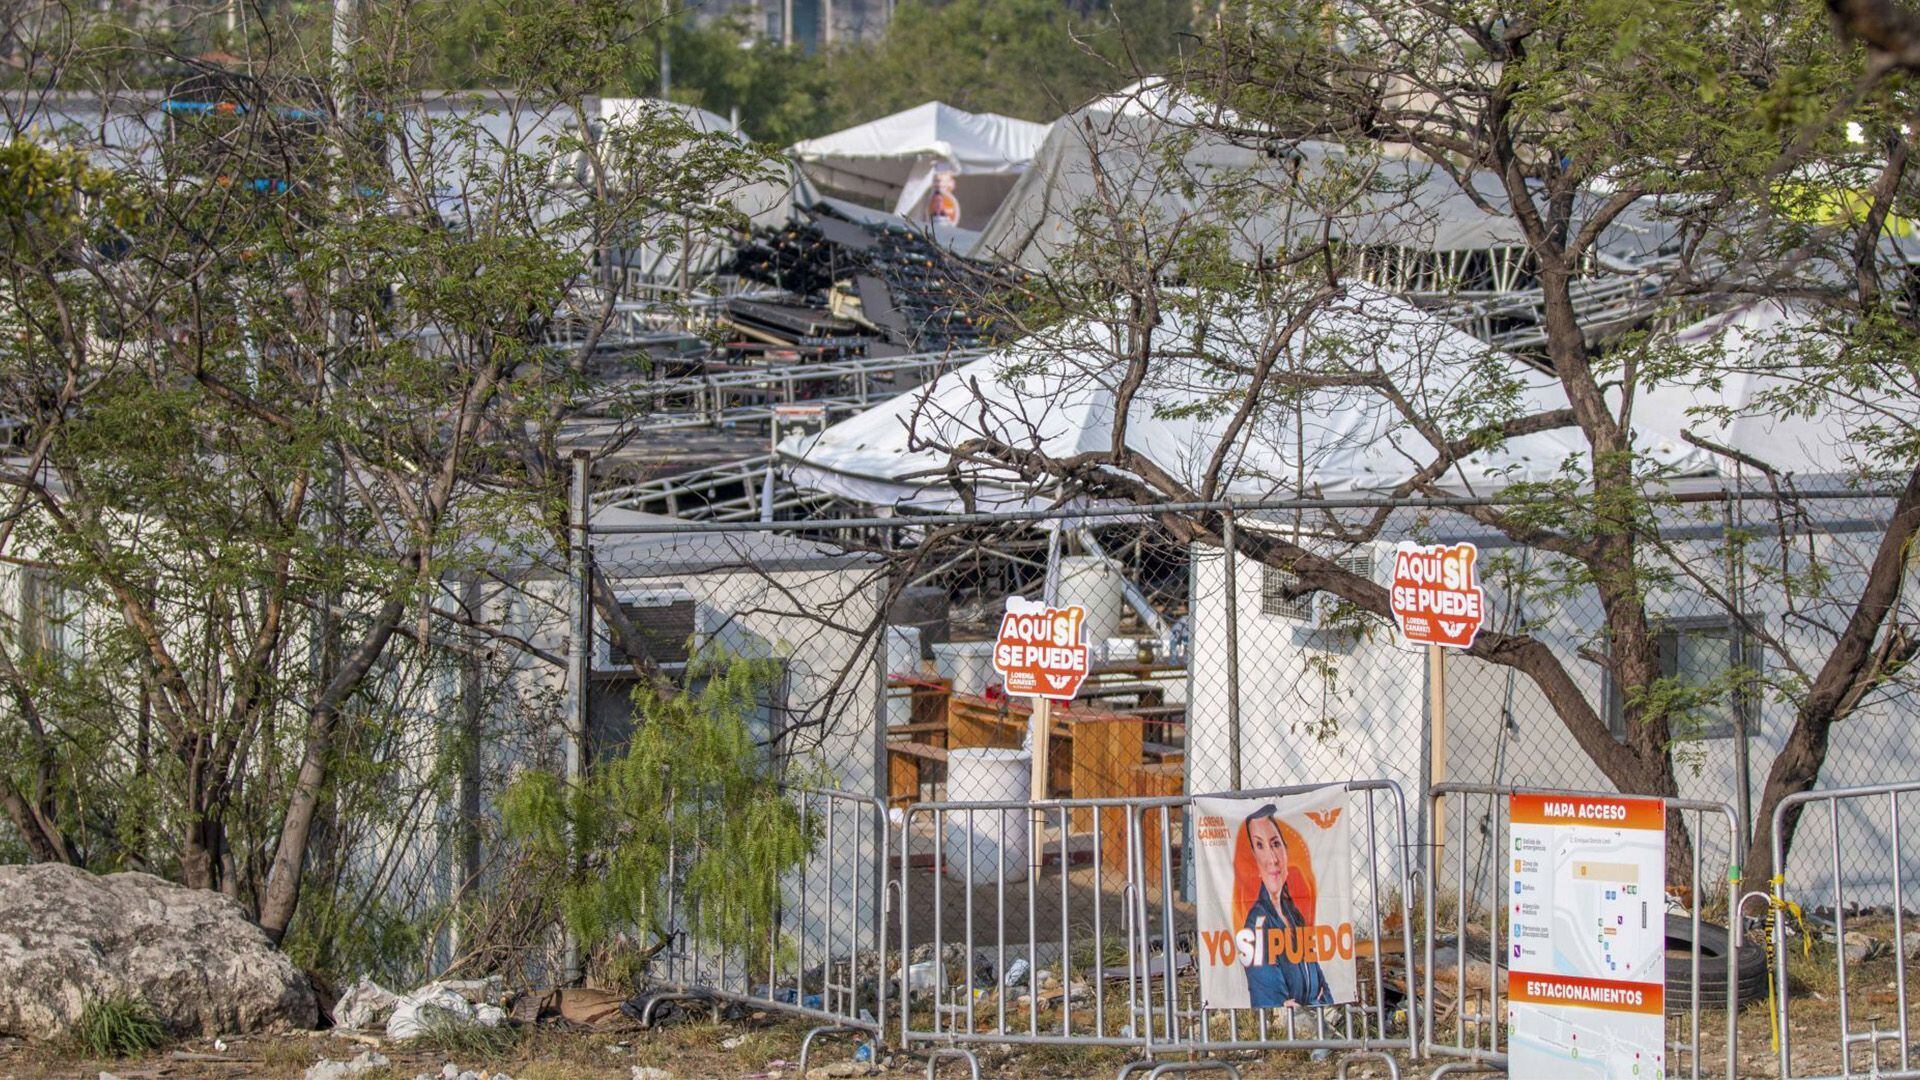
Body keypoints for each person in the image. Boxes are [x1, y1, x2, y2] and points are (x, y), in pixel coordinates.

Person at [1233, 804, 1333, 1008]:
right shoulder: (1257, 924)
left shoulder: (1293, 914)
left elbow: (1325, 992)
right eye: (1260, 846)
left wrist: (1313, 1004)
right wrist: (1314, 1002)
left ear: (1286, 851)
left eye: (1276, 843)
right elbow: (1274, 1006)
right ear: (1253, 861)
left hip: (1316, 1025)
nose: (1273, 859)